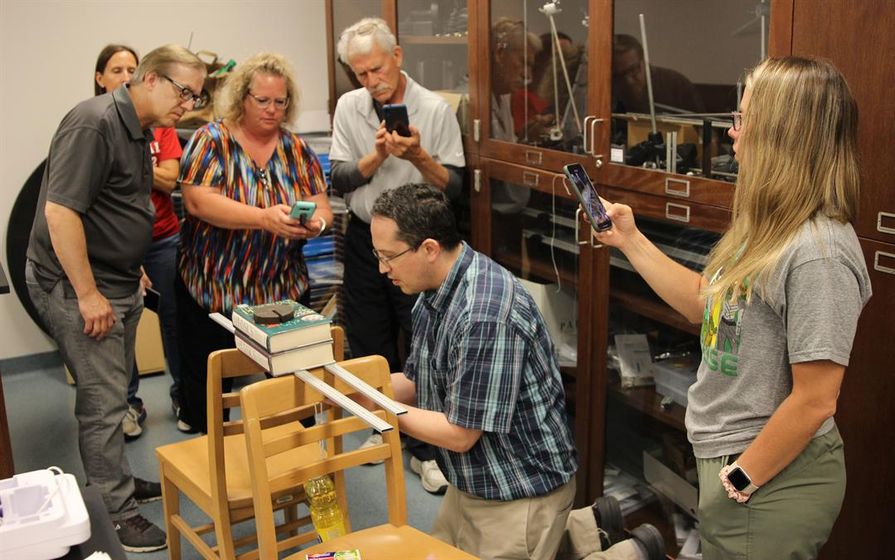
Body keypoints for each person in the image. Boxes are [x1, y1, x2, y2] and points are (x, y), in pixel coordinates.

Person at [590, 57, 870, 559]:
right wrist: (630, 240)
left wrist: (739, 479)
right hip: (732, 458)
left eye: (743, 120)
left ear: (784, 134)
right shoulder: (767, 225)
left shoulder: (818, 252)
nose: (732, 134)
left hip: (769, 472)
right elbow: (704, 303)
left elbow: (816, 399)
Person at [26, 44, 206, 553]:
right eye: (184, 91)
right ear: (150, 79)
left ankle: (118, 485)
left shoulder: (138, 129)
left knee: (117, 393)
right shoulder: (95, 122)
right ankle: (116, 510)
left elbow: (118, 204)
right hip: (79, 283)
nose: (188, 105)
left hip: (120, 277)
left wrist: (134, 267)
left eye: (197, 94)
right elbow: (61, 213)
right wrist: (87, 293)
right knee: (105, 404)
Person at [365, 183, 577, 559]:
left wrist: (373, 407)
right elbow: (416, 380)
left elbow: (460, 434)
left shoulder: (484, 314)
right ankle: (589, 535)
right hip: (473, 483)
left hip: (519, 492)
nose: (383, 269)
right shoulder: (434, 288)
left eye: (389, 256)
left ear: (429, 248)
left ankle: (603, 546)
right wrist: (346, 387)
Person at [330, 17, 464, 493]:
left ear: (399, 57)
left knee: (424, 346)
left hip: (418, 248)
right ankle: (380, 428)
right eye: (361, 73)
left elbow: (457, 187)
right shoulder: (350, 106)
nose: (371, 81)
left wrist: (416, 157)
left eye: (378, 69)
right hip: (366, 240)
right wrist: (379, 156)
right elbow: (341, 179)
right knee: (368, 338)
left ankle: (426, 451)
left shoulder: (433, 109)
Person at [176, 52, 332, 433]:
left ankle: (301, 469)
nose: (272, 110)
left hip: (282, 290)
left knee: (297, 392)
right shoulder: (211, 140)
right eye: (262, 100)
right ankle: (221, 479)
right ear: (241, 98)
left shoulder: (296, 148)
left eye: (280, 102)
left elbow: (322, 204)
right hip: (213, 291)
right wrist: (263, 218)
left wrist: (316, 224)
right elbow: (198, 202)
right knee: (210, 397)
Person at [94, 44, 188, 437]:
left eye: (132, 68)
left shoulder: (161, 126)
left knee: (175, 320)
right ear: (100, 78)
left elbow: (171, 179)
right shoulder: (96, 125)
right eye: (116, 69)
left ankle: (184, 394)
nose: (125, 75)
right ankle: (129, 403)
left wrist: (140, 165)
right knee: (122, 327)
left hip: (163, 238)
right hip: (115, 248)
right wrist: (151, 167)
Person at [612, 34, 704, 114]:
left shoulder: (676, 84)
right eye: (619, 76)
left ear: (644, 62)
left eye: (633, 70)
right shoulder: (609, 90)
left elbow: (706, 130)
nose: (629, 81)